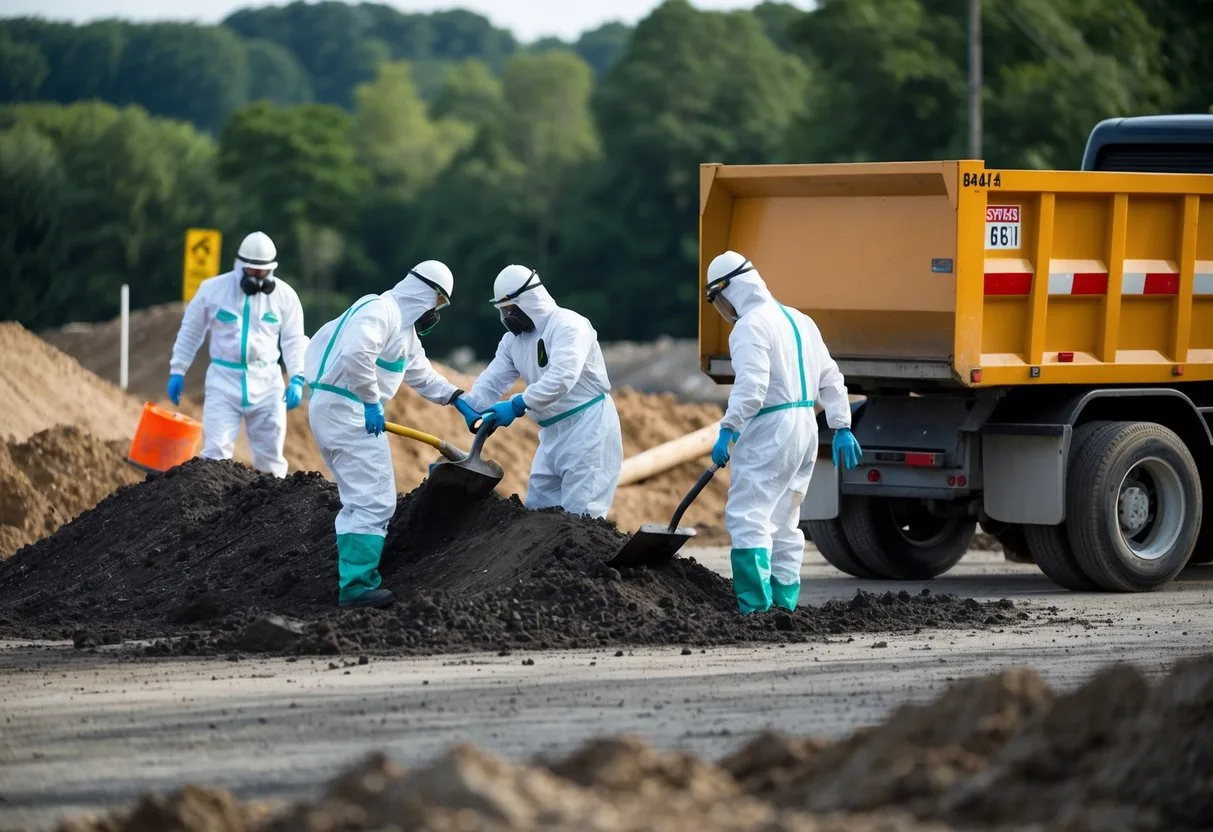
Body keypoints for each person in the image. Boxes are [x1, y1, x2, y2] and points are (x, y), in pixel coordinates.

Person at [304, 261, 480, 609]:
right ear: (425, 293)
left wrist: (458, 399)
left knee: (366, 496)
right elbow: (357, 353)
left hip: (347, 409)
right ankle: (357, 586)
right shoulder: (380, 310)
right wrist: (371, 402)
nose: (436, 313)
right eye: (439, 303)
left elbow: (423, 375)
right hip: (346, 409)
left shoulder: (404, 333)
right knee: (373, 498)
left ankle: (356, 577)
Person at [704, 250, 863, 615]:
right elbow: (831, 378)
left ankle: (755, 608)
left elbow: (752, 388)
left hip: (770, 429)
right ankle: (784, 603)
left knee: (748, 514)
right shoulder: (800, 320)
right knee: (785, 519)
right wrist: (840, 425)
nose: (724, 308)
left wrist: (729, 428)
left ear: (733, 290)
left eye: (720, 298)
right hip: (806, 425)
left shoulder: (750, 327)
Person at [460, 264, 622, 519]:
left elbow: (562, 377)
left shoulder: (568, 325)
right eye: (502, 310)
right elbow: (492, 380)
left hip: (589, 428)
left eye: (508, 308)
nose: (505, 316)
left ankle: (583, 561)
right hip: (551, 433)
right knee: (538, 515)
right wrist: (469, 406)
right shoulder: (514, 342)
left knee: (582, 518)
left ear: (528, 301)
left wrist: (517, 404)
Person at [168, 231, 308, 478]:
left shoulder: (285, 297)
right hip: (224, 379)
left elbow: (294, 340)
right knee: (215, 452)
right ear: (241, 266)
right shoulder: (212, 291)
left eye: (262, 272)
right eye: (251, 271)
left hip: (267, 382)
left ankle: (273, 508)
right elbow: (191, 331)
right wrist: (178, 369)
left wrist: (297, 377)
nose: (256, 277)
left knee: (271, 459)